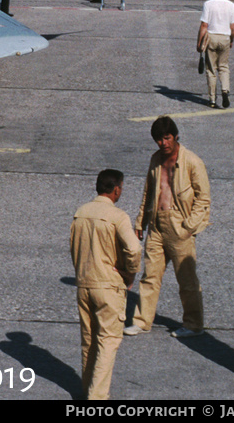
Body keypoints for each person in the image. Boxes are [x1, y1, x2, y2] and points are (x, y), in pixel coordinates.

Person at [125, 116, 210, 339]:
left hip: (179, 224)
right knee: (149, 276)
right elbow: (148, 192)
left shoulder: (192, 161)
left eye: (167, 138)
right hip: (156, 224)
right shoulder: (155, 160)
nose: (163, 143)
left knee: (186, 279)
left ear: (175, 136)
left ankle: (193, 324)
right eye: (159, 139)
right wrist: (140, 222)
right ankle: (142, 321)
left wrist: (189, 226)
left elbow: (204, 198)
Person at [70, 169, 141, 401]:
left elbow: (74, 248)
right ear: (117, 189)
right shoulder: (117, 215)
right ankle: (97, 398)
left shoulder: (80, 213)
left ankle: (86, 388)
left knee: (88, 340)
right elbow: (134, 249)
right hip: (108, 286)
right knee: (108, 342)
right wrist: (128, 274)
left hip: (84, 284)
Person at [198, 0, 234, 108]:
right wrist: (231, 40)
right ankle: (225, 90)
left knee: (211, 69)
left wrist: (199, 43)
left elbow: (204, 25)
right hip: (225, 37)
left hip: (212, 37)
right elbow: (233, 27)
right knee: (224, 67)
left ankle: (212, 99)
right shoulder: (231, 5)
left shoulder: (208, 4)